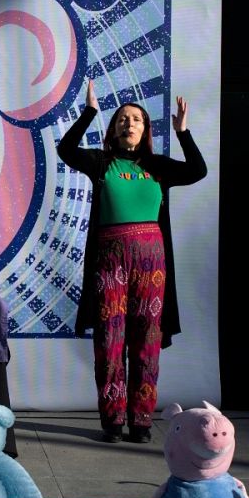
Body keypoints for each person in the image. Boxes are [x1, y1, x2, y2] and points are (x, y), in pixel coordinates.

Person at [56, 80, 206, 443]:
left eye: (136, 119)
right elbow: (66, 149)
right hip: (110, 259)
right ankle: (112, 420)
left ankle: (140, 421)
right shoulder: (101, 162)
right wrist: (90, 112)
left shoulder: (157, 166)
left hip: (151, 260)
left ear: (145, 129)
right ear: (113, 129)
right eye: (122, 118)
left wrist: (183, 133)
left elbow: (197, 170)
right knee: (110, 339)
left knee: (147, 339)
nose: (129, 123)